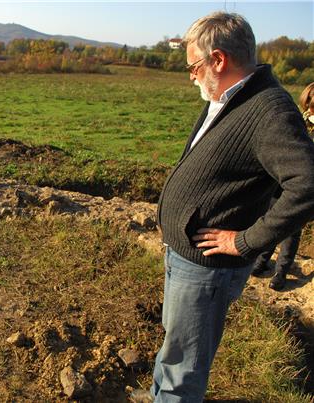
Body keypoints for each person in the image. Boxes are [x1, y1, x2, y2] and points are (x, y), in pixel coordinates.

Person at [130, 12, 314, 403]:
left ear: (218, 59)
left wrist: (247, 241)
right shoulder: (229, 96)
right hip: (186, 257)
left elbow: (309, 184)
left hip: (207, 269)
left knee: (185, 367)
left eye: (194, 66)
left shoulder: (270, 110)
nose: (191, 75)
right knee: (175, 345)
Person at [251, 83, 314, 290]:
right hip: (281, 180)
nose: (309, 111)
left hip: (303, 185)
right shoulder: (299, 120)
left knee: (292, 229)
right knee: (271, 219)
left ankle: (281, 271)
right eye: (308, 106)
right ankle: (262, 261)